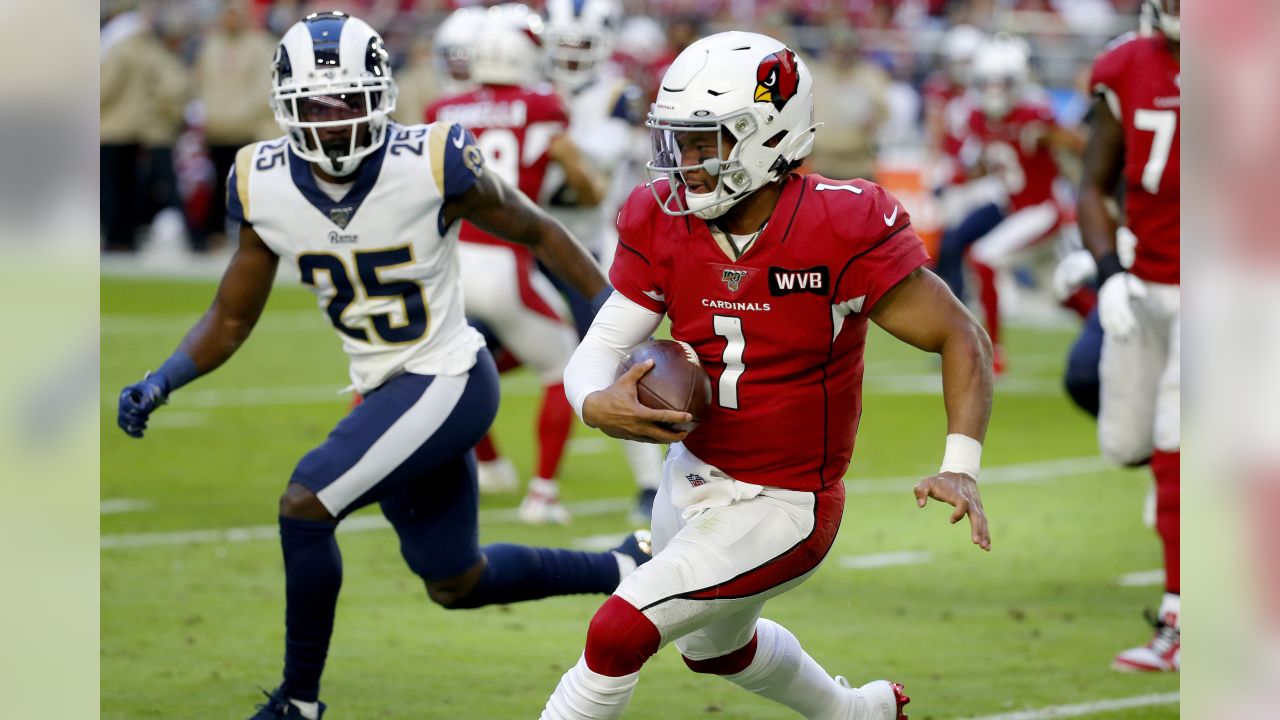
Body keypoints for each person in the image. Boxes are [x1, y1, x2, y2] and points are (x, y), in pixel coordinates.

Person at [114, 13, 651, 719]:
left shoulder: (431, 159)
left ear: (381, 97)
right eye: (316, 106)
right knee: (455, 579)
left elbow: (543, 233)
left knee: (305, 505)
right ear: (287, 108)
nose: (334, 122)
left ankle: (298, 702)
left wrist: (614, 334)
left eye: (348, 103)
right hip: (384, 384)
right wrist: (166, 376)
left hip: (449, 376)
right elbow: (232, 314)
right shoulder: (258, 178)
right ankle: (625, 565)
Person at [539, 31, 994, 719]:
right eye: (679, 143)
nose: (685, 164)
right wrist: (594, 403)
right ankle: (860, 713)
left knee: (618, 631)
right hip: (688, 472)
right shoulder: (659, 218)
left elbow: (960, 333)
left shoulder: (841, 222)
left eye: (705, 142)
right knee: (714, 650)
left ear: (766, 135)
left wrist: (961, 464)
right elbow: (600, 346)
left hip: (785, 502)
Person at [426, 3, 608, 524]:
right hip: (506, 260)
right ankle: (542, 496)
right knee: (563, 367)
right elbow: (574, 178)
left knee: (461, 363)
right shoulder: (545, 106)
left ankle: (488, 465)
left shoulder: (444, 107)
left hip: (451, 260)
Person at [1078, 0, 1181, 673]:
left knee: (1177, 438)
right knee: (1127, 442)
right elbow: (1093, 184)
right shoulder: (1122, 65)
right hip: (1145, 284)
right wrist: (1107, 270)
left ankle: (1183, 618)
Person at [542, 0, 665, 523]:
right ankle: (487, 465)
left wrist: (551, 145)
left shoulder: (617, 94)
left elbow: (599, 159)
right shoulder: (532, 89)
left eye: (581, 45)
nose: (571, 57)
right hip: (528, 243)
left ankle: (650, 480)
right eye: (563, 44)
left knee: (621, 359)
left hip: (592, 245)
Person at [935, 34, 1086, 374]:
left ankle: (994, 354)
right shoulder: (977, 117)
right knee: (1063, 291)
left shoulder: (1034, 112)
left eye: (1001, 83)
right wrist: (956, 179)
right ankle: (1105, 334)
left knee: (983, 258)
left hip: (1043, 210)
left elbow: (1078, 143)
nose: (993, 91)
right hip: (1019, 211)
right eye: (986, 83)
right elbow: (986, 165)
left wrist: (1051, 137)